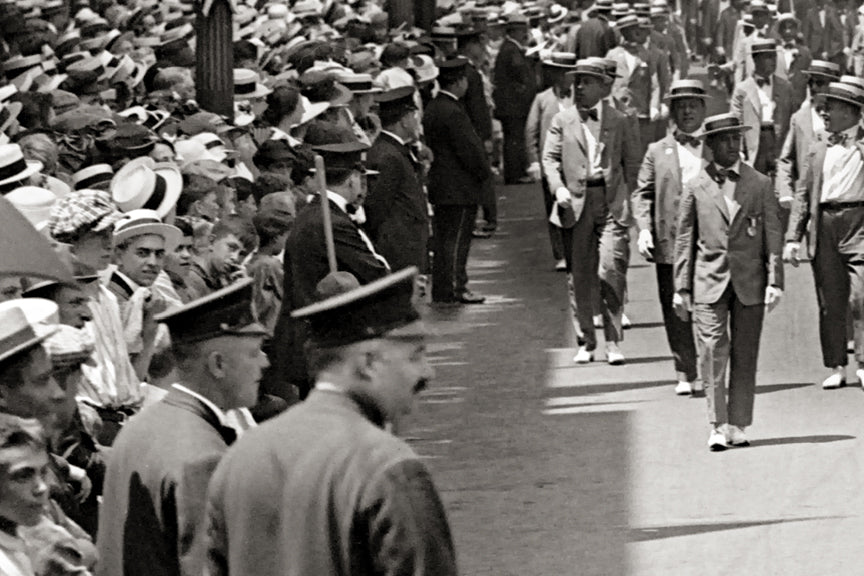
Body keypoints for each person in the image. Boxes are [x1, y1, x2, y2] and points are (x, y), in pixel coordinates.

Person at [204, 267, 457, 576]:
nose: (427, 372)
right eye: (415, 356)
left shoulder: (240, 456)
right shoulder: (388, 467)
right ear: (368, 363)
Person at [96, 279, 269, 576]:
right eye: (254, 352)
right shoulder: (202, 456)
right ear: (218, 365)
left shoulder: (140, 425)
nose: (265, 362)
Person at [674, 113, 784, 451]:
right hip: (708, 280)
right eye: (725, 140)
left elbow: (772, 236)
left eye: (737, 138)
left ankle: (738, 423)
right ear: (710, 145)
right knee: (712, 351)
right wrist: (681, 287)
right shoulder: (695, 185)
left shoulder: (760, 183)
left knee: (746, 353)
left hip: (750, 281)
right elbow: (684, 238)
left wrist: (775, 280)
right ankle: (717, 424)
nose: (733, 146)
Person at [269, 137, 390, 402]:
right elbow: (377, 273)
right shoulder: (330, 222)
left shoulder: (315, 215)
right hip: (323, 342)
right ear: (351, 180)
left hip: (312, 339)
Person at [542, 58, 641, 366]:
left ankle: (613, 342)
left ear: (602, 86)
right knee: (580, 276)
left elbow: (633, 166)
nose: (579, 87)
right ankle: (586, 340)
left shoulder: (619, 120)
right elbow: (550, 159)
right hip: (575, 203)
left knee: (610, 270)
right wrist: (558, 189)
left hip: (609, 202)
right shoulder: (563, 120)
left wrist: (632, 206)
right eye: (577, 82)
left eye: (586, 82)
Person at [785, 81, 864, 389]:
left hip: (859, 222)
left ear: (850, 112)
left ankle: (862, 361)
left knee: (861, 296)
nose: (824, 112)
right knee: (830, 300)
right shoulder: (818, 148)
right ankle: (836, 365)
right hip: (824, 224)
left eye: (830, 107)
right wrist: (793, 237)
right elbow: (803, 195)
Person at [634, 80, 708, 396]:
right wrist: (645, 229)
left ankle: (713, 368)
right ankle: (684, 371)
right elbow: (642, 192)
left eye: (692, 104)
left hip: (710, 242)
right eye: (681, 106)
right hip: (671, 241)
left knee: (710, 306)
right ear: (672, 112)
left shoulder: (716, 146)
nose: (687, 111)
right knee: (675, 308)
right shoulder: (656, 151)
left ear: (703, 108)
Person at [424, 57, 491, 305]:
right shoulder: (453, 112)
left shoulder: (433, 107)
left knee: (445, 240)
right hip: (458, 186)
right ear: (458, 82)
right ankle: (455, 287)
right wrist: (484, 172)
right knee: (457, 241)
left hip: (442, 184)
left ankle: (444, 286)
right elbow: (470, 149)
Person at [366, 86, 429, 272]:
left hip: (406, 241)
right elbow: (377, 206)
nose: (416, 122)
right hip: (398, 246)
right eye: (413, 116)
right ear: (403, 121)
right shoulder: (388, 155)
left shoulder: (393, 150)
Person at [526, 52, 577, 272]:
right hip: (552, 164)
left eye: (565, 73)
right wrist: (534, 161)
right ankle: (561, 254)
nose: (561, 77)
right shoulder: (542, 99)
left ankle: (578, 250)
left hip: (577, 162)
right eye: (557, 72)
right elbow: (531, 131)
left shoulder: (580, 97)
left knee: (578, 207)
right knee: (554, 209)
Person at [776, 60, 840, 233]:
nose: (813, 87)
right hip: (808, 198)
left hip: (839, 200)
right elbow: (786, 159)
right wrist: (785, 190)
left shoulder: (847, 118)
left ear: (833, 85)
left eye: (819, 82)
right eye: (810, 82)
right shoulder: (800, 118)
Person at [605, 14, 670, 157]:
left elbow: (655, 84)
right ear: (623, 33)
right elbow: (605, 83)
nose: (635, 34)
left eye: (636, 29)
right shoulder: (613, 55)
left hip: (640, 112)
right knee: (617, 151)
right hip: (617, 111)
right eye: (629, 30)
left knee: (641, 151)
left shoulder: (646, 55)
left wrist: (654, 106)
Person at [731, 38, 794, 179]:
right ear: (756, 60)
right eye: (767, 57)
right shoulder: (742, 89)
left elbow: (791, 119)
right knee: (757, 181)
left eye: (774, 56)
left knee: (779, 181)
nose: (772, 61)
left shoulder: (785, 87)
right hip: (755, 140)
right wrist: (740, 151)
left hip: (778, 139)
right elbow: (736, 123)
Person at [493, 13, 537, 185]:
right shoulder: (511, 49)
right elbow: (520, 73)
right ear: (517, 31)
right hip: (513, 106)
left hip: (510, 105)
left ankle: (516, 172)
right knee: (514, 140)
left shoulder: (510, 48)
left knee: (514, 139)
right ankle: (515, 174)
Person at [187, 215, 256, 295]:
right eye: (232, 248)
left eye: (242, 254)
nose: (235, 258)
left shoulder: (223, 281)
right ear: (211, 242)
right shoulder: (191, 278)